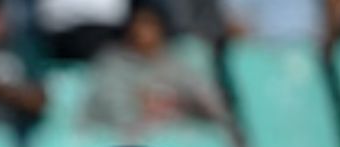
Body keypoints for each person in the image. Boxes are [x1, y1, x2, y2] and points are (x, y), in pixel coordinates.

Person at [82, 5, 231, 133]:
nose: (144, 32)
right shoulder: (112, 63)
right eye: (139, 24)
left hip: (177, 142)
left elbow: (213, 106)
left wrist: (181, 105)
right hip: (125, 144)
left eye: (151, 25)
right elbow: (115, 112)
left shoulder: (176, 63)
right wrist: (146, 110)